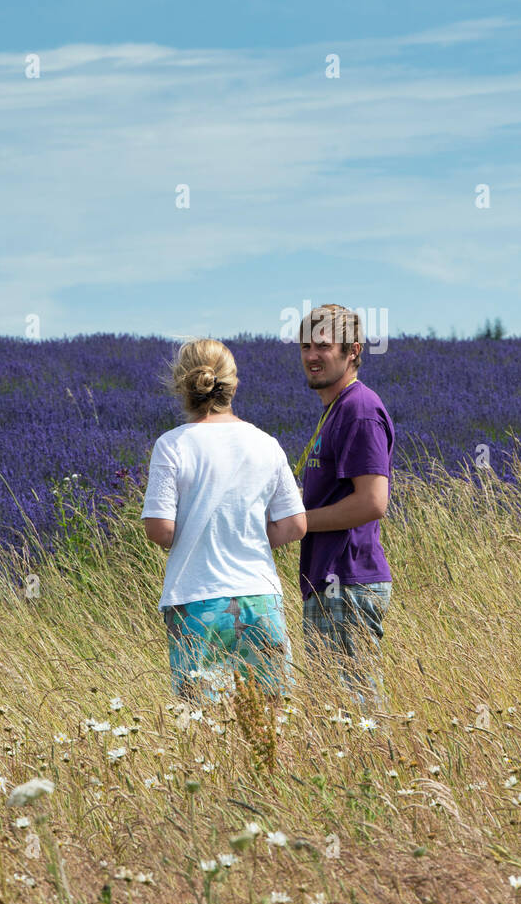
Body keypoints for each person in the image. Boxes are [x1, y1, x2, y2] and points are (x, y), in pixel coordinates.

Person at [141, 338, 306, 704]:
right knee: (272, 717)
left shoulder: (172, 446)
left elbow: (160, 529)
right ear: (234, 384)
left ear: (181, 384)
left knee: (206, 728)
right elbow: (295, 524)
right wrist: (249, 536)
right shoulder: (266, 443)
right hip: (260, 597)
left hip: (195, 600)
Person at [295, 304, 395, 713]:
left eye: (323, 345)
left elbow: (373, 501)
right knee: (333, 714)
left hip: (348, 582)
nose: (311, 355)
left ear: (353, 350)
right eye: (305, 345)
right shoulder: (336, 410)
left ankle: (375, 776)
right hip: (330, 581)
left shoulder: (359, 409)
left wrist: (297, 523)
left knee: (355, 715)